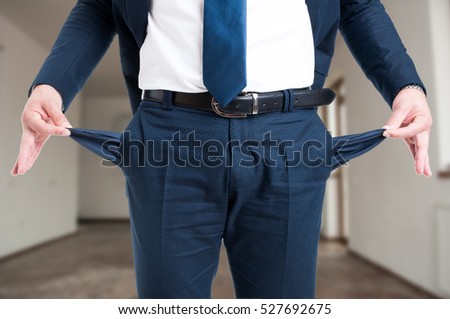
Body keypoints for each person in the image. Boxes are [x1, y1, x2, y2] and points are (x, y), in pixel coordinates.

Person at [11, 0, 432, 298]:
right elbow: (100, 5)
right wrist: (52, 84)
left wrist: (405, 87)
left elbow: (357, 5)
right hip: (169, 134)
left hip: (288, 134)